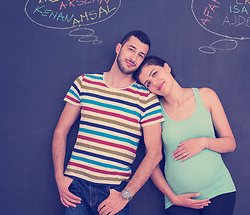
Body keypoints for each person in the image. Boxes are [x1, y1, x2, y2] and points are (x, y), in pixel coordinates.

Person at [52, 31, 165, 215]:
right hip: (76, 188)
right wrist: (59, 176)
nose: (134, 58)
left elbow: (155, 153)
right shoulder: (85, 83)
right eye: (131, 49)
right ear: (119, 48)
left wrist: (126, 195)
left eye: (140, 55)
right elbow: (61, 131)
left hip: (113, 192)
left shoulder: (146, 98)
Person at [133, 56, 236, 215]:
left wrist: (203, 142)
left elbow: (230, 144)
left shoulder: (206, 96)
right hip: (179, 200)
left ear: (167, 68)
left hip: (219, 191)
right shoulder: (154, 113)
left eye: (154, 74)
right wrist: (172, 197)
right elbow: (151, 164)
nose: (154, 83)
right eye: (148, 83)